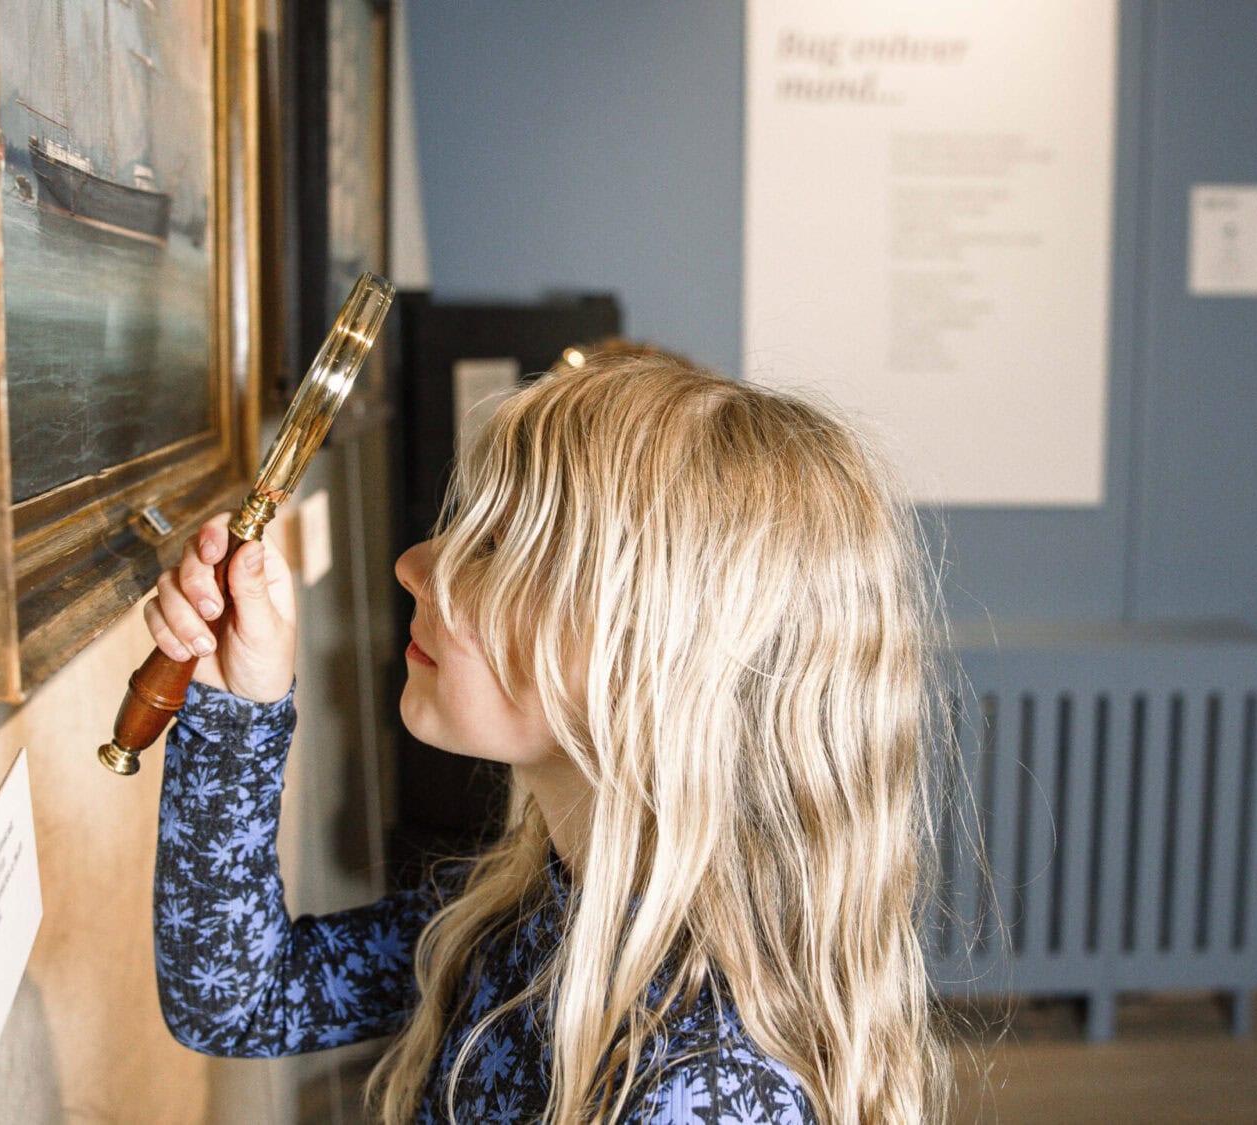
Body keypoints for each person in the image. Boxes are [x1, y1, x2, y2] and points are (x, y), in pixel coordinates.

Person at [144, 353, 948, 1123]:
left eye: (497, 547)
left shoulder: (697, 1092)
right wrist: (238, 708)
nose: (415, 563)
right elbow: (241, 999)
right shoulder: (541, 907)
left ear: (648, 663)